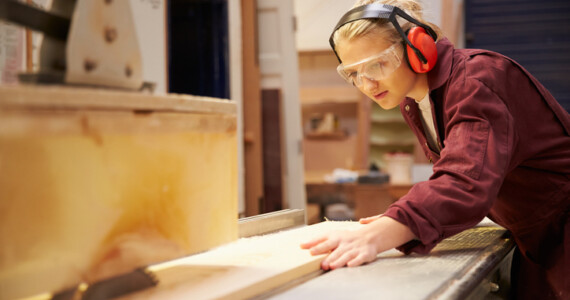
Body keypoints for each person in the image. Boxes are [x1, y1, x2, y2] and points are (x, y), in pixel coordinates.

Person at [300, 0, 570, 299]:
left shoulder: (475, 81)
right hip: (536, 235)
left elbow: (465, 180)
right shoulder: (415, 102)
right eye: (353, 74)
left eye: (377, 65)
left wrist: (386, 231)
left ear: (418, 47)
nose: (367, 84)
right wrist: (400, 218)